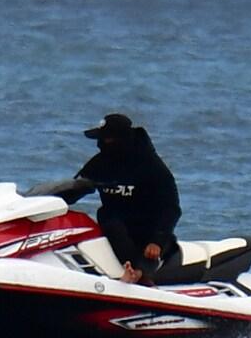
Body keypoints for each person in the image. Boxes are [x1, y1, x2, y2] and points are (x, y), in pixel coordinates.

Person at [75, 113, 182, 285]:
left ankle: (138, 274)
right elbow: (76, 187)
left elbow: (171, 208)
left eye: (106, 139)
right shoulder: (101, 163)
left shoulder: (152, 166)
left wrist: (157, 241)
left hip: (149, 232)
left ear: (120, 140)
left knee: (142, 240)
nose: (101, 144)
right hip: (117, 229)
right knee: (107, 217)